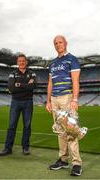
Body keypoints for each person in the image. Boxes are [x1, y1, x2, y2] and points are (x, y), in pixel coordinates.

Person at [46, 35, 82, 176]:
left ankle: (77, 163)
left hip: (67, 97)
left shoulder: (72, 59)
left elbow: (75, 80)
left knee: (71, 130)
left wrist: (75, 100)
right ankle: (63, 159)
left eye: (60, 42)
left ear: (66, 43)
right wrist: (48, 101)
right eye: (55, 43)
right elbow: (50, 83)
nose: (58, 44)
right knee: (60, 131)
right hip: (54, 99)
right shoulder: (53, 63)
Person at [0, 54, 36, 156]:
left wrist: (19, 84)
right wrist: (26, 85)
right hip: (15, 102)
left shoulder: (32, 73)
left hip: (28, 102)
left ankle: (25, 147)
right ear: (17, 62)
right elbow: (11, 87)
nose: (22, 62)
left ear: (26, 62)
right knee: (11, 125)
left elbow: (32, 87)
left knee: (27, 126)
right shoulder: (13, 74)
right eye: (20, 61)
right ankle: (8, 148)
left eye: (23, 61)